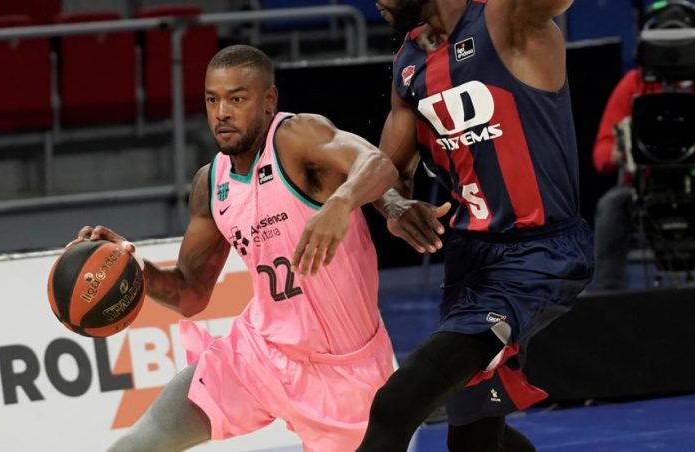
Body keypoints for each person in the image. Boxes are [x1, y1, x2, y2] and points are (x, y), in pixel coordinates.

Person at [70, 45, 399, 451]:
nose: (222, 113)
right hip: (258, 355)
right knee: (138, 445)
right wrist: (132, 268)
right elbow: (190, 294)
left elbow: (378, 164)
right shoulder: (211, 183)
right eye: (213, 100)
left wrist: (341, 203)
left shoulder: (296, 138)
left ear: (269, 100)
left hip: (347, 375)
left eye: (237, 99)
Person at [356, 1, 595, 451]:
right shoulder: (408, 61)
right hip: (469, 263)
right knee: (476, 439)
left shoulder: (505, 16)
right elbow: (388, 173)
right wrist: (396, 207)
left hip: (536, 256)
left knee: (396, 404)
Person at [591, 0, 695, 290]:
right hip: (644, 187)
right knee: (612, 205)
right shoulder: (633, 84)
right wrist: (620, 151)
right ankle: (607, 296)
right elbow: (601, 154)